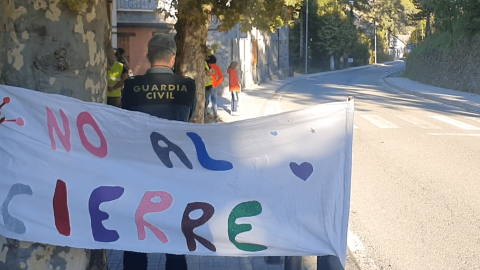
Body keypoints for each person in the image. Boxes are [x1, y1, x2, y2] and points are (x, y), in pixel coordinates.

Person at [121, 33, 196, 270]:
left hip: (139, 173)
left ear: (149, 56)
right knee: (174, 236)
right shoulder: (188, 86)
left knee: (136, 234)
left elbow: (126, 121)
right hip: (174, 172)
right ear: (172, 59)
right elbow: (188, 119)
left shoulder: (131, 87)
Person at [206, 55, 224, 121]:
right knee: (214, 102)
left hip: (207, 85)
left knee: (206, 100)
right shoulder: (216, 67)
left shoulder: (207, 66)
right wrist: (216, 83)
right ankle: (215, 116)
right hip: (214, 86)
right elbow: (221, 77)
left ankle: (205, 114)